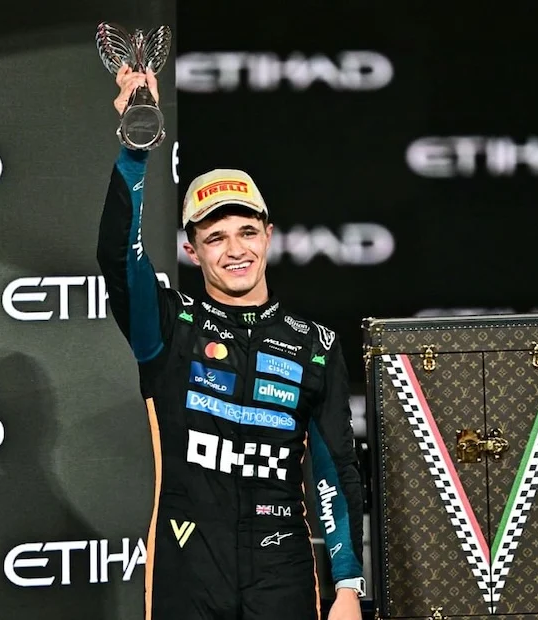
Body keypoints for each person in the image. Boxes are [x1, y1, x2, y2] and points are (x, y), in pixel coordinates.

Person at [96, 64, 365, 620]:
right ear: (192, 251)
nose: (235, 250)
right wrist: (135, 148)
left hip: (282, 571)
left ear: (269, 235)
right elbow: (118, 258)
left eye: (247, 232)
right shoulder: (167, 328)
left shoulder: (314, 344)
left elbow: (333, 470)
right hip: (188, 566)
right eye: (215, 237)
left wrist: (346, 586)